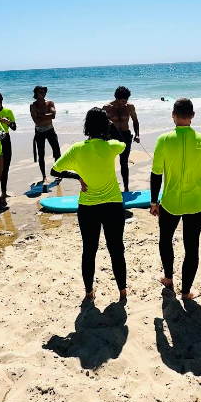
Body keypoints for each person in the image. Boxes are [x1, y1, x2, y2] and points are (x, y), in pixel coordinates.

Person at [50, 108, 129, 301]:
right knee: (116, 249)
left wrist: (77, 176)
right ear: (105, 126)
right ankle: (122, 292)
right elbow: (124, 143)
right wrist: (112, 126)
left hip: (88, 208)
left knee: (89, 250)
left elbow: (54, 170)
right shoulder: (111, 147)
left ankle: (89, 292)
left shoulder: (77, 149)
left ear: (86, 126)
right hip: (112, 205)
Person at [149, 99, 201, 301]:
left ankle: (168, 279)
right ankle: (186, 292)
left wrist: (153, 201)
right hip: (196, 203)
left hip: (170, 202)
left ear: (173, 115)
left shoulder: (164, 140)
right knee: (191, 247)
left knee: (166, 240)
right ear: (193, 115)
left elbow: (156, 174)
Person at [102, 86, 141, 193]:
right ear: (117, 98)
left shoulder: (130, 107)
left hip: (125, 136)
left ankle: (126, 188)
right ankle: (108, 186)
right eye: (123, 100)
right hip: (111, 137)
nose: (125, 102)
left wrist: (137, 134)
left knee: (124, 163)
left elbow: (135, 121)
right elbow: (101, 124)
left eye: (126, 100)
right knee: (108, 162)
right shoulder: (107, 108)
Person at [0, 91, 19, 199]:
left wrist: (7, 122)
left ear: (1, 100)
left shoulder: (8, 111)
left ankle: (4, 192)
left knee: (5, 167)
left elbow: (14, 127)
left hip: (6, 139)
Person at [30, 85, 61, 179]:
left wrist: (40, 114)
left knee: (57, 152)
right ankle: (44, 176)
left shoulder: (50, 103)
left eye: (44, 92)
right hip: (39, 132)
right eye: (40, 92)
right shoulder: (33, 105)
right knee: (41, 154)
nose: (43, 94)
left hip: (50, 129)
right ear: (36, 93)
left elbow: (53, 115)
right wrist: (46, 116)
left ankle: (57, 172)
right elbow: (37, 121)